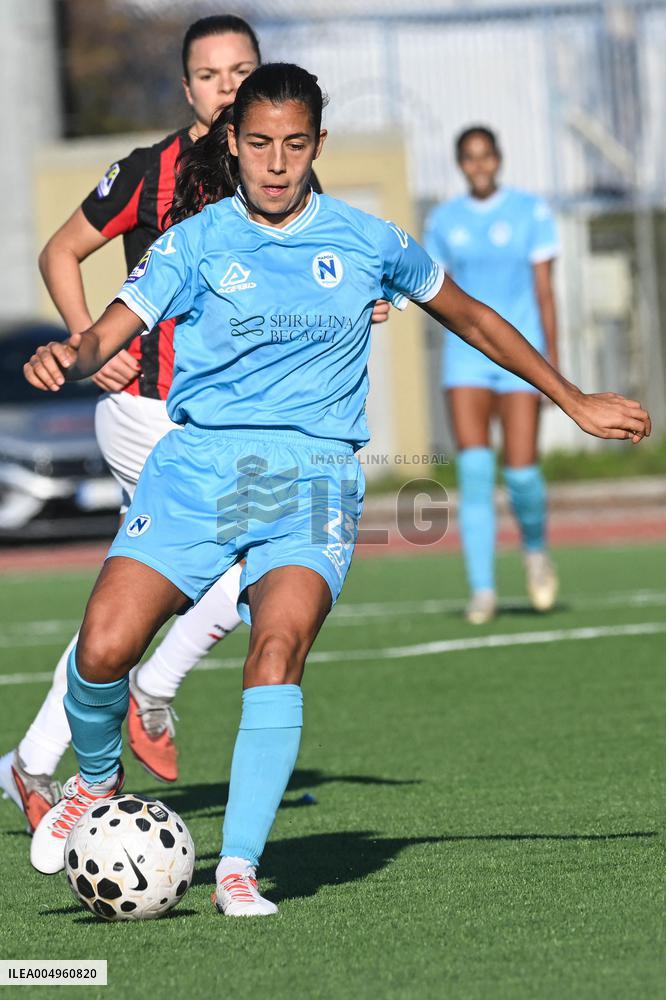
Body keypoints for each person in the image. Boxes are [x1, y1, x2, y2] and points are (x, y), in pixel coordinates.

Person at [23, 64, 650, 915]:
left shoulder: (368, 241)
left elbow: (470, 317)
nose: (276, 164)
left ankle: (239, 866)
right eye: (258, 145)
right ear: (232, 146)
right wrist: (72, 354)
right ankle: (96, 785)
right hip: (199, 468)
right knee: (102, 649)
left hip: (313, 479)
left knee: (276, 648)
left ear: (317, 144)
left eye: (293, 144)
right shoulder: (195, 242)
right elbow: (109, 331)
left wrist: (570, 397)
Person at [0, 16, 264, 825]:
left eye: (241, 71)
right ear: (187, 89)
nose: (227, 87)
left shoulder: (272, 168)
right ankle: (148, 690)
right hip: (148, 412)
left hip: (222, 422)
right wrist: (90, 340)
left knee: (140, 602)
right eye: (212, 75)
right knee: (245, 570)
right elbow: (59, 251)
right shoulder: (151, 171)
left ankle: (32, 763)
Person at [424, 126, 561, 625]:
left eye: (486, 157)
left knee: (522, 472)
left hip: (523, 356)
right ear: (461, 165)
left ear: (498, 159)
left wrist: (553, 368)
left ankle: (535, 549)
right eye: (469, 159)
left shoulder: (531, 212)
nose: (479, 166)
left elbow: (546, 292)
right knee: (475, 474)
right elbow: (436, 293)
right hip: (467, 360)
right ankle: (483, 590)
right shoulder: (444, 220)